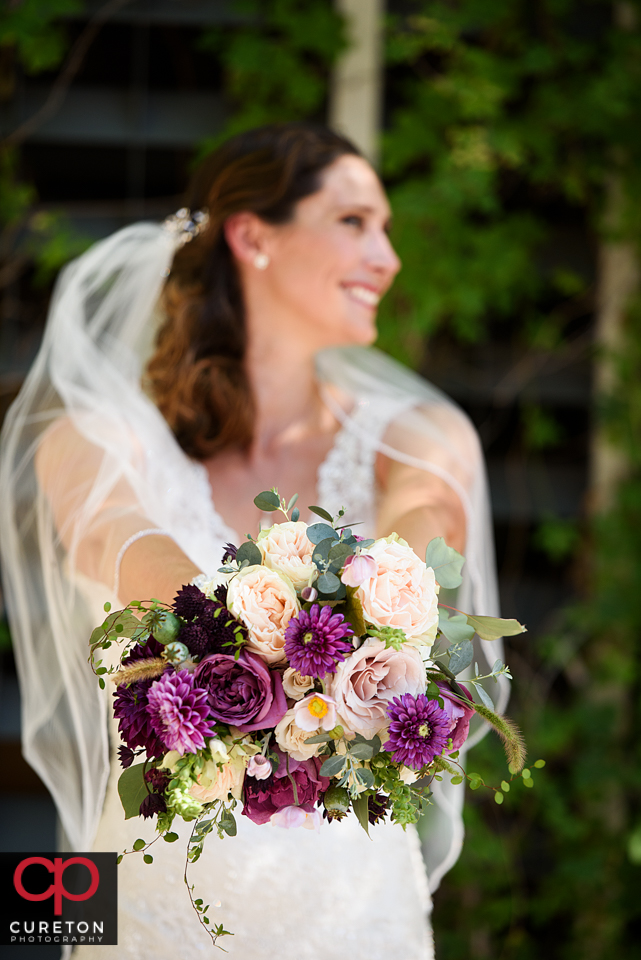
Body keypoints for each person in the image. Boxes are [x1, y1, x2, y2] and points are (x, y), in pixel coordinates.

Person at [0, 123, 507, 959]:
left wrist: (382, 590)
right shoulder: (96, 440)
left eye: (383, 227)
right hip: (153, 911)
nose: (387, 256)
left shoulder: (422, 439)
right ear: (253, 235)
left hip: (354, 913)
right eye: (352, 221)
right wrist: (242, 625)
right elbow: (120, 541)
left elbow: (417, 547)